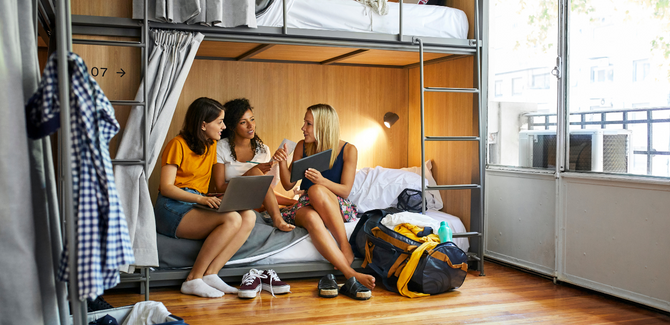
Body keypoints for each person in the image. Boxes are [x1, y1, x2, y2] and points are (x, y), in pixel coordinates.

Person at [154, 97, 255, 298]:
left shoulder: (211, 147)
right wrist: (201, 200)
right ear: (203, 124)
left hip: (195, 201)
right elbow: (166, 187)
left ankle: (211, 273)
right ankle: (193, 279)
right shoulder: (177, 144)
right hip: (171, 207)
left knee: (248, 216)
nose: (224, 127)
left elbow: (200, 188)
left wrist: (214, 197)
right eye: (219, 122)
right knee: (231, 218)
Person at [273, 104, 376, 290]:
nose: (303, 128)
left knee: (316, 190)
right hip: (305, 206)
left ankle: (344, 245)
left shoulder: (348, 150)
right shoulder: (302, 146)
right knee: (312, 214)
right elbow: (288, 184)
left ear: (323, 126)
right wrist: (282, 163)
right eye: (305, 123)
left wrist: (321, 181)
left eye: (308, 123)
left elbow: (345, 190)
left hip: (335, 202)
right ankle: (350, 273)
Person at [212, 98, 296, 232]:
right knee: (256, 174)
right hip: (230, 199)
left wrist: (293, 202)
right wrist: (251, 172)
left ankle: (277, 215)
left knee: (260, 179)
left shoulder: (263, 150)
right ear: (232, 126)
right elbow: (219, 187)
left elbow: (265, 190)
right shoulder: (220, 148)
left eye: (252, 119)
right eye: (243, 122)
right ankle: (278, 220)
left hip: (255, 202)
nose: (251, 126)